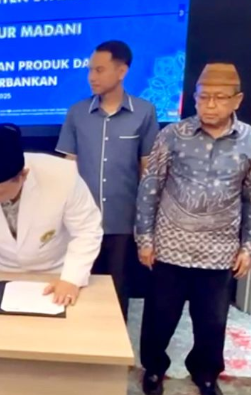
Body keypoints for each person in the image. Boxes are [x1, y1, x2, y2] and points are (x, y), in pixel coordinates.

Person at [136, 63, 251, 395]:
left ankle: (206, 374)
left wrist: (248, 246)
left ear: (237, 100)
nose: (209, 105)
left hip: (220, 249)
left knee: (212, 321)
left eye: (219, 98)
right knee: (160, 316)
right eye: (202, 96)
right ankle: (154, 368)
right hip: (170, 245)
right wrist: (145, 239)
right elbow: (150, 187)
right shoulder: (172, 135)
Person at [0, 123, 103, 304]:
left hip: (54, 273)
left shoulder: (62, 176)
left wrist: (72, 279)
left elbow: (86, 231)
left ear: (23, 176)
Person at [56, 40, 159, 320]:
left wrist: (146, 224)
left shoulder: (144, 111)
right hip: (80, 221)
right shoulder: (77, 113)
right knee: (78, 283)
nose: (92, 76)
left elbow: (148, 170)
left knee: (117, 289)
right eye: (90, 70)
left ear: (122, 71)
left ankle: (115, 342)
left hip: (121, 220)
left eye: (99, 70)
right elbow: (67, 167)